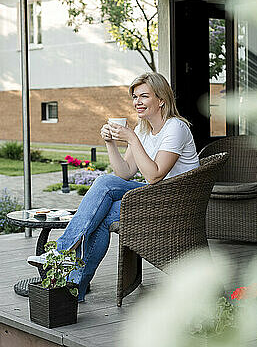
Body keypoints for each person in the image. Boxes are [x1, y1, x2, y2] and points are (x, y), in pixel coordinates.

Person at [28, 72, 199, 302]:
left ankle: (61, 251)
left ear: (161, 100)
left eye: (144, 96)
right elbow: (126, 172)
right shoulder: (143, 129)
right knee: (102, 215)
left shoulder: (175, 128)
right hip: (154, 196)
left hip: (173, 202)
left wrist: (131, 139)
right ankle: (75, 288)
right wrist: (110, 143)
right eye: (135, 97)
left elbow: (155, 175)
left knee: (106, 183)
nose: (137, 102)